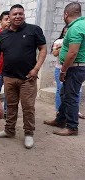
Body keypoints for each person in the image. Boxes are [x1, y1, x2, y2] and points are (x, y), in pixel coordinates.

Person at [0, 4, 47, 149]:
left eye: (20, 14)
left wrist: (36, 69)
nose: (18, 16)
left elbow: (43, 49)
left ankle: (28, 133)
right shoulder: (2, 35)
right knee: (10, 105)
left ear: (24, 15)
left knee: (28, 107)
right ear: (9, 17)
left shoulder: (33, 30)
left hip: (28, 78)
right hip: (8, 77)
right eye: (14, 14)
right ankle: (9, 130)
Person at [44, 2, 85, 136]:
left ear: (66, 14)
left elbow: (72, 53)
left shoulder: (75, 28)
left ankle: (72, 126)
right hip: (77, 67)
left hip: (74, 68)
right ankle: (61, 119)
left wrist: (63, 70)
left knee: (71, 97)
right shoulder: (82, 25)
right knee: (64, 93)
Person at [51, 26, 85, 119]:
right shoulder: (58, 41)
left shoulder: (77, 40)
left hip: (73, 69)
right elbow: (55, 53)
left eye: (68, 32)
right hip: (60, 69)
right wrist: (63, 45)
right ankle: (59, 112)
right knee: (61, 90)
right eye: (65, 32)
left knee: (76, 91)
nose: (66, 33)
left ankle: (74, 112)